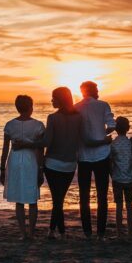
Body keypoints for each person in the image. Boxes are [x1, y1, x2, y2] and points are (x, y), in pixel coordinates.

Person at [0, 95, 45, 240]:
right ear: (31, 107)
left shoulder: (9, 125)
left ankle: (23, 234)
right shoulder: (38, 125)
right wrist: (41, 168)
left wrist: (2, 168)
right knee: (32, 199)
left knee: (19, 199)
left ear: (17, 107)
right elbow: (40, 149)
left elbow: (5, 149)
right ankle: (31, 233)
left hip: (15, 160)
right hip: (31, 160)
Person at [75, 80, 116, 240]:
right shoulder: (103, 105)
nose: (98, 91)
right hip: (102, 155)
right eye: (97, 88)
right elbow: (112, 125)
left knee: (84, 195)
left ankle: (87, 232)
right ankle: (100, 233)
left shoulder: (76, 107)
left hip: (83, 156)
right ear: (93, 90)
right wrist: (102, 133)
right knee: (102, 195)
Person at [43, 86, 82, 239]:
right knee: (59, 199)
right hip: (70, 164)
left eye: (54, 98)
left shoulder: (52, 118)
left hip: (52, 164)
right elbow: (82, 139)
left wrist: (29, 142)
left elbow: (46, 142)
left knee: (57, 199)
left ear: (60, 100)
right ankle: (55, 231)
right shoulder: (78, 117)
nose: (51, 100)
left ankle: (58, 231)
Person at [110, 116, 132, 238]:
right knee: (129, 205)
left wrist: (112, 175)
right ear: (128, 128)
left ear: (115, 129)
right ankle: (130, 232)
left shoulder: (113, 144)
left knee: (119, 206)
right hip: (129, 178)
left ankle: (119, 232)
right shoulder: (131, 143)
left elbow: (110, 162)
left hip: (117, 178)